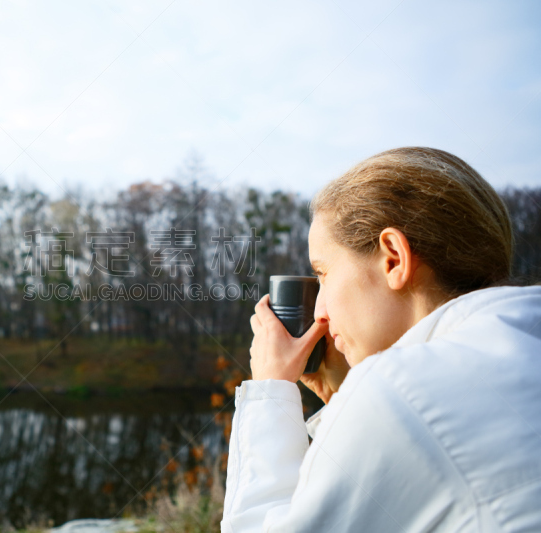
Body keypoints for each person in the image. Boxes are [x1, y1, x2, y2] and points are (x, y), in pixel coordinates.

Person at [221, 147, 541, 532]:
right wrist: (341, 401)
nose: (319, 310)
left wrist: (269, 391)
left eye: (322, 275)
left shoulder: (399, 392)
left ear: (393, 258)